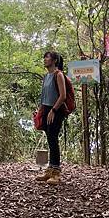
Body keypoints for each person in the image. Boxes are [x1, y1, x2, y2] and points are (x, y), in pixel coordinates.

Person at [35, 51, 67, 185]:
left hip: (56, 110)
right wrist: (40, 111)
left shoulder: (58, 75)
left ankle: (56, 173)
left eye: (47, 57)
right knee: (49, 139)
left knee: (53, 139)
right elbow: (44, 96)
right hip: (47, 109)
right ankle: (50, 171)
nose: (45, 59)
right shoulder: (46, 76)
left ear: (54, 60)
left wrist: (53, 110)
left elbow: (63, 95)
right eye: (44, 57)